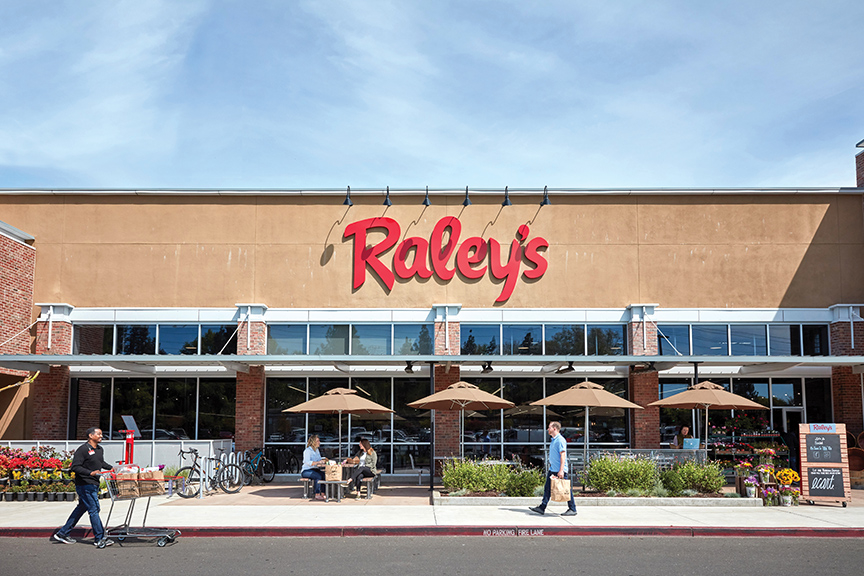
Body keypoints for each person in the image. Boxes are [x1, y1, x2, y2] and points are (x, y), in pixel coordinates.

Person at [53, 427, 115, 546]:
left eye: (101, 434)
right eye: (99, 434)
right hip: (85, 484)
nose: (101, 436)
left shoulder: (99, 449)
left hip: (94, 483)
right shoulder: (82, 450)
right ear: (91, 436)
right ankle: (100, 538)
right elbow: (75, 467)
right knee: (94, 509)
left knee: (82, 508)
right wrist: (90, 473)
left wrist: (111, 468)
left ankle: (63, 533)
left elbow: (100, 463)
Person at [529, 421, 577, 516]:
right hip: (553, 469)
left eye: (549, 427)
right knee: (547, 489)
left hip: (559, 470)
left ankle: (572, 509)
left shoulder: (560, 440)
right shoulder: (554, 440)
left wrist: (561, 470)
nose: (548, 429)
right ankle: (542, 507)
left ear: (554, 428)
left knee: (566, 489)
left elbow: (563, 455)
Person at [301, 435, 328, 500]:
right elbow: (307, 462)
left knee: (324, 475)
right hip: (306, 471)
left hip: (314, 469)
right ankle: (317, 494)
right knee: (318, 476)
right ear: (313, 442)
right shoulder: (307, 450)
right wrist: (318, 462)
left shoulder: (316, 450)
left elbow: (319, 459)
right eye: (317, 441)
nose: (319, 442)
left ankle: (323, 493)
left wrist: (323, 460)